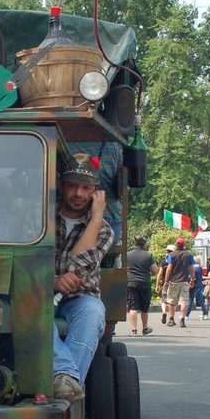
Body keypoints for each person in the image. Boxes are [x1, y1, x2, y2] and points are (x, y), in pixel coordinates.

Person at [52, 154, 114, 401]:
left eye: (86, 188)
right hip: (39, 292)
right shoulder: (39, 218)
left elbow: (77, 266)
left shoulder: (104, 229)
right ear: (62, 186)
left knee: (93, 313)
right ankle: (68, 376)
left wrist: (97, 218)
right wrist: (53, 281)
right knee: (30, 312)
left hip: (81, 297)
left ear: (95, 193)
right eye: (72, 185)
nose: (78, 193)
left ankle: (66, 384)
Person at [126, 235, 158, 336]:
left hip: (131, 282)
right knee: (144, 308)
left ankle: (133, 330)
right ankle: (144, 328)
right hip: (144, 283)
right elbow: (155, 270)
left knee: (133, 307)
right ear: (144, 245)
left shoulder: (127, 255)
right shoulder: (148, 255)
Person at [163, 237, 195, 328]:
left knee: (172, 301)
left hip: (174, 281)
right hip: (184, 281)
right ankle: (182, 319)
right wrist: (192, 279)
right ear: (184, 245)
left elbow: (169, 268)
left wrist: (166, 280)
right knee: (184, 301)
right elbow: (192, 268)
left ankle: (171, 319)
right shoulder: (188, 255)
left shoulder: (172, 255)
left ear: (176, 245)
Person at [186, 255, 208, 320]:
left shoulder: (194, 269)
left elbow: (191, 277)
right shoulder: (200, 268)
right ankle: (205, 313)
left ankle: (187, 314)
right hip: (199, 285)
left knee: (191, 300)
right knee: (201, 300)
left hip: (194, 285)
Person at [158, 244, 175, 324]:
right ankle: (171, 318)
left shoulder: (164, 261)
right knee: (172, 301)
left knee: (164, 299)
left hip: (165, 282)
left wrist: (157, 284)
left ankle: (164, 312)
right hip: (174, 281)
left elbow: (160, 273)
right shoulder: (175, 260)